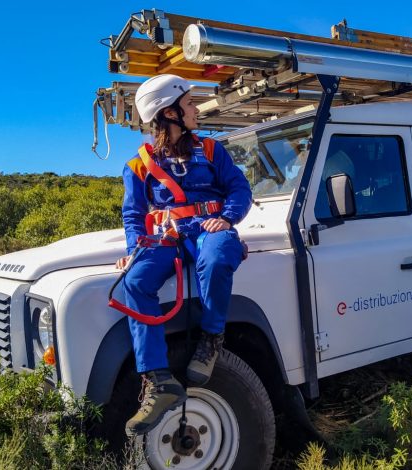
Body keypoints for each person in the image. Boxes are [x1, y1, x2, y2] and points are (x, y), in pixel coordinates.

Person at [115, 74, 252, 436]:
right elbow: (133, 215)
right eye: (190, 103)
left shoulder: (210, 150)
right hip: (168, 237)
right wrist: (134, 251)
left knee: (219, 255)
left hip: (209, 229)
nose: (196, 109)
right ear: (169, 112)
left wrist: (227, 219)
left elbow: (239, 187)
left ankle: (210, 340)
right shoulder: (138, 165)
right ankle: (159, 381)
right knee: (135, 281)